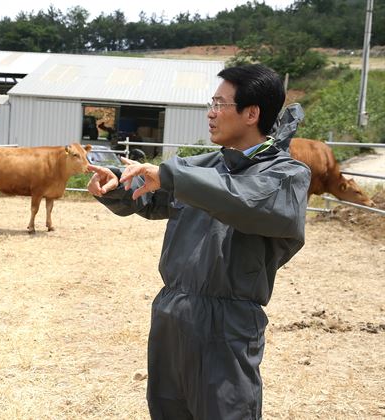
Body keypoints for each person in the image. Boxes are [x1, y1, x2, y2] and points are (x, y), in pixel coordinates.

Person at [87, 64, 310, 419]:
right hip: (172, 316)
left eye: (220, 104)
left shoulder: (285, 175)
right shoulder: (205, 166)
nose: (211, 112)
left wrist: (173, 175)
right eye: (212, 102)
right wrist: (118, 186)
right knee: (168, 410)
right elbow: (154, 196)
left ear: (251, 113)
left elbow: (242, 201)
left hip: (226, 325)